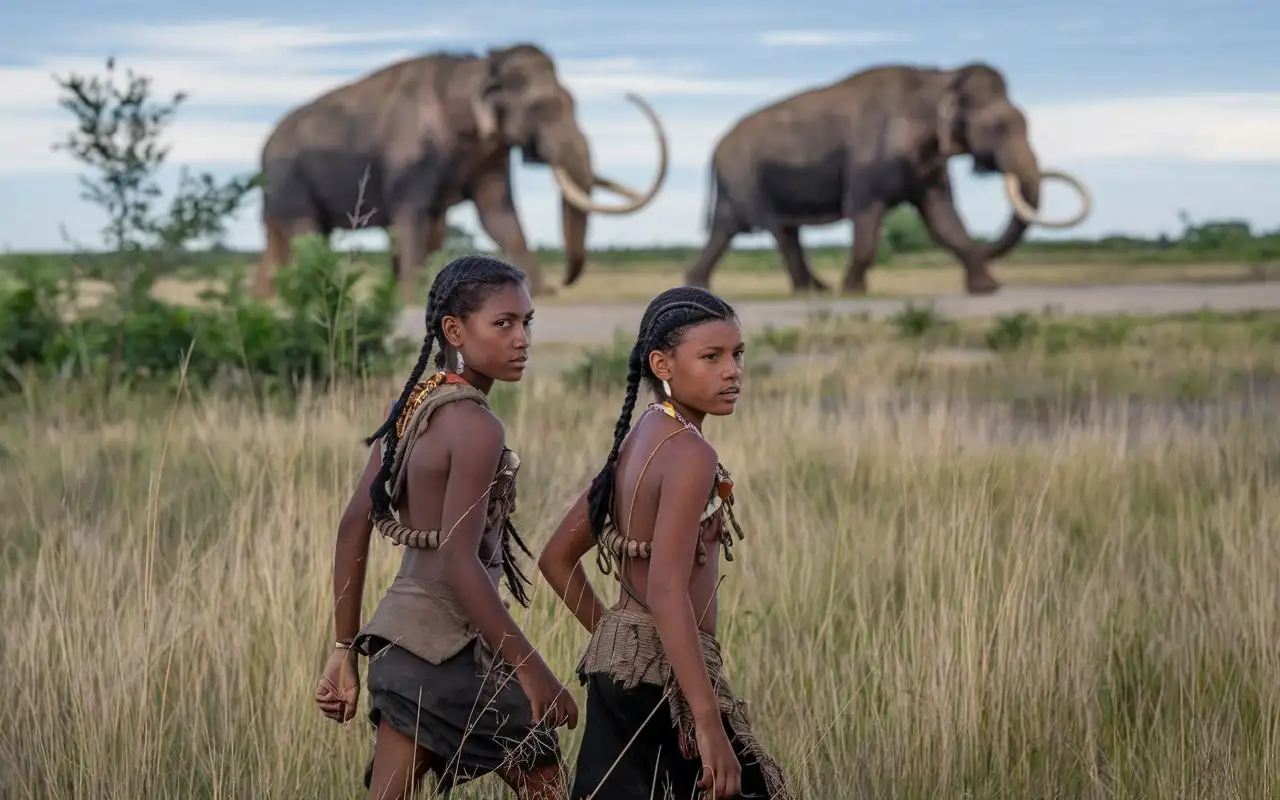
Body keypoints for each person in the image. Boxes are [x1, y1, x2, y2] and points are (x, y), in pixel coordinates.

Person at [314, 254, 579, 800]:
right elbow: (459, 561)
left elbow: (352, 526)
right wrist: (533, 671)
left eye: (527, 322)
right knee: (547, 784)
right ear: (455, 330)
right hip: (454, 657)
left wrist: (344, 647)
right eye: (503, 324)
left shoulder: (412, 406)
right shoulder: (478, 425)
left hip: (397, 648)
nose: (521, 339)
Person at [537, 287, 793, 800]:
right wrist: (708, 722)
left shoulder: (641, 436)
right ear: (662, 364)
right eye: (712, 357)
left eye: (737, 355)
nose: (732, 371)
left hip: (621, 674)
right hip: (667, 687)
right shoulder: (690, 454)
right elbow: (668, 589)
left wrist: (618, 639)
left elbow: (555, 558)